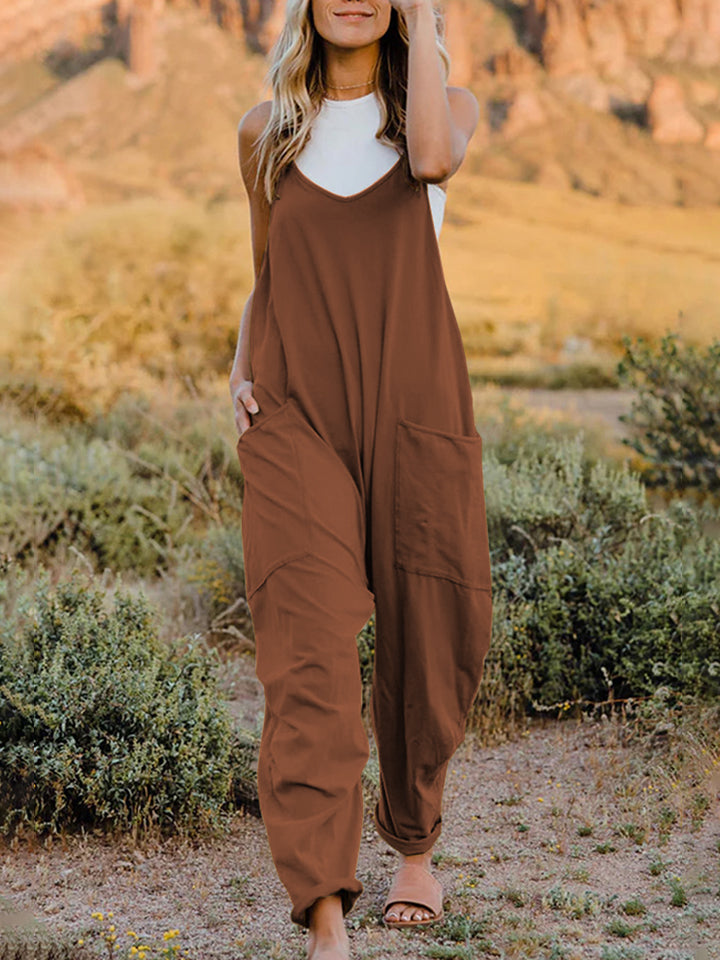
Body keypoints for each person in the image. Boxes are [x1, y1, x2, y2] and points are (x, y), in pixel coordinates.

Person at [229, 0, 493, 955]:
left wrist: (422, 25)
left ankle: (414, 843)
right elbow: (268, 266)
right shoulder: (265, 132)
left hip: (413, 398)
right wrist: (241, 355)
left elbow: (429, 160)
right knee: (306, 649)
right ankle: (325, 914)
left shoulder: (445, 104)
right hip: (297, 411)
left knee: (431, 625)